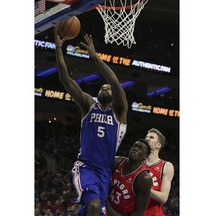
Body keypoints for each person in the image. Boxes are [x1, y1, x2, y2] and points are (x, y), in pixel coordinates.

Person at [54, 26, 128, 216]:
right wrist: (59, 50)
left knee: (93, 212)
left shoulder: (119, 112)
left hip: (105, 174)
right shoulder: (88, 104)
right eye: (102, 88)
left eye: (108, 88)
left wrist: (95, 57)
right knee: (94, 206)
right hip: (86, 167)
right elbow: (66, 81)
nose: (105, 89)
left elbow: (115, 83)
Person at [106, 139, 152, 216]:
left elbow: (139, 212)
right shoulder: (116, 162)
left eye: (140, 148)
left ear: (145, 156)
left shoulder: (144, 179)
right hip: (106, 209)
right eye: (135, 146)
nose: (135, 148)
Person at [143, 128, 175, 216]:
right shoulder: (136, 163)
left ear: (158, 145)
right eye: (146, 137)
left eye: (151, 137)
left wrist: (142, 188)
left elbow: (163, 198)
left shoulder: (166, 166)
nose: (147, 139)